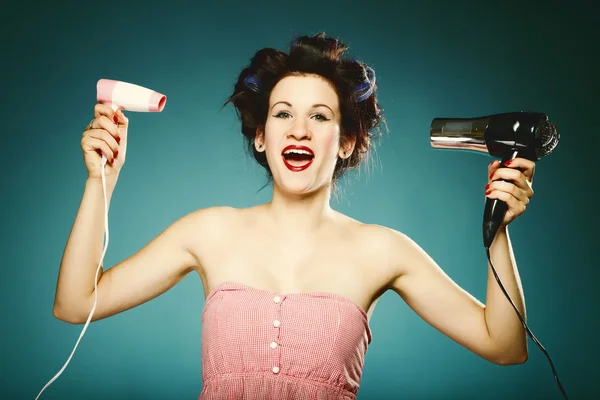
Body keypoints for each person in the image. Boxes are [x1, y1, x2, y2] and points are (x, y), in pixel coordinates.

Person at [54, 33, 534, 399]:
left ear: (346, 142)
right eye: (283, 114)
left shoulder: (382, 249)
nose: (300, 130)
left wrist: (498, 231)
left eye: (321, 117)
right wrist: (102, 181)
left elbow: (505, 345)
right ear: (261, 136)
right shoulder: (208, 231)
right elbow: (76, 303)